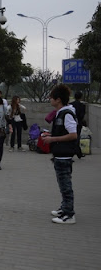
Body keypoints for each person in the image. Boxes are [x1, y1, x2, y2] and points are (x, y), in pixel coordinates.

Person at [41, 84, 78, 224]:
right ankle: (64, 208)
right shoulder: (61, 113)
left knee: (66, 186)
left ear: (58, 99)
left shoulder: (66, 114)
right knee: (63, 185)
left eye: (51, 97)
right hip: (60, 154)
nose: (50, 99)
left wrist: (52, 139)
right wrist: (51, 136)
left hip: (64, 155)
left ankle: (69, 215)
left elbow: (73, 135)